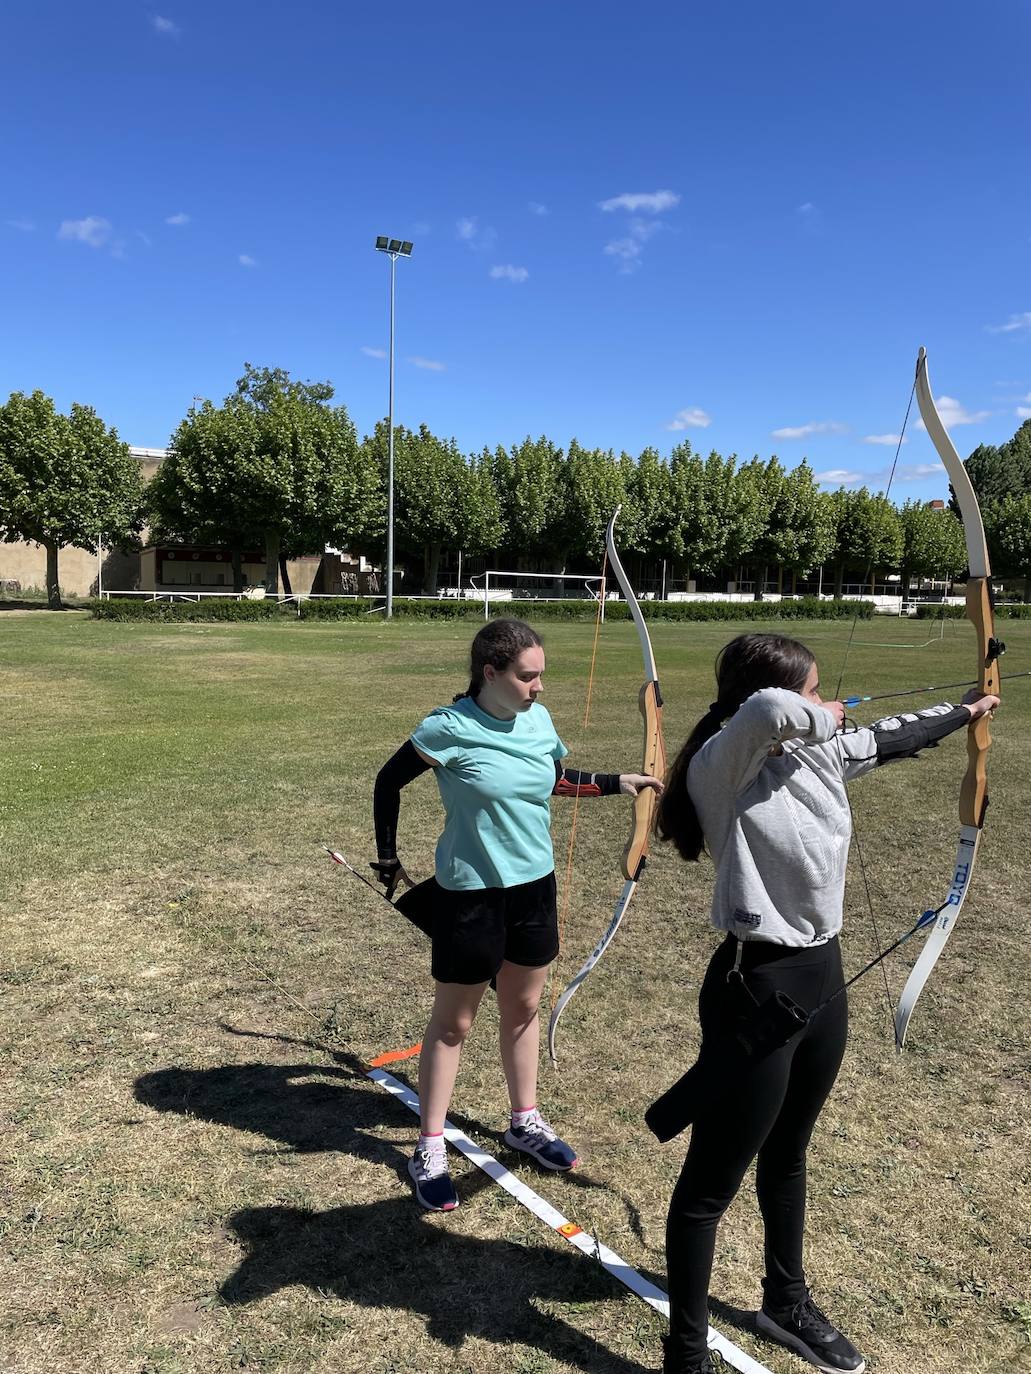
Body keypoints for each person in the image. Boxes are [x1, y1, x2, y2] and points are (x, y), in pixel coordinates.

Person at [651, 632, 999, 1374]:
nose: (819, 705)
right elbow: (776, 708)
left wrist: (967, 708)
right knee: (710, 1185)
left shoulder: (814, 752)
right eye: (813, 692)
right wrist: (818, 710)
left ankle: (785, 1303)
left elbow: (888, 735)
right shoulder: (722, 763)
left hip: (821, 976)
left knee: (788, 1154)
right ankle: (683, 1356)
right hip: (758, 986)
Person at [372, 617, 663, 1212]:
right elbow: (388, 782)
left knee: (524, 1007)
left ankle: (523, 1121)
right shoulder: (448, 727)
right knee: (454, 1024)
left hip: (535, 890)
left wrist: (617, 782)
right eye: (528, 677)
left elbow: (554, 779)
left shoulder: (538, 719)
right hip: (470, 894)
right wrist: (386, 857)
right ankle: (429, 1146)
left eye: (542, 676)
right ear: (491, 673)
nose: (539, 687)